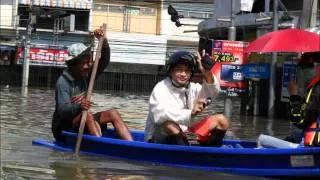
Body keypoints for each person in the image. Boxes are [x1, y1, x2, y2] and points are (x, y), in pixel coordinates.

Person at [52, 27, 133, 142]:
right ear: (73, 64)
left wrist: (103, 42)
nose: (87, 66)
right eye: (84, 63)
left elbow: (103, 62)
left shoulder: (86, 76)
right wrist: (79, 106)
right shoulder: (63, 82)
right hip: (65, 127)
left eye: (88, 63)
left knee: (113, 113)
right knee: (88, 116)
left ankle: (131, 145)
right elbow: (63, 110)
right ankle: (101, 146)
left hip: (82, 119)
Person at [144, 50, 229, 146]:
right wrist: (190, 113)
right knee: (168, 124)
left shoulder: (192, 87)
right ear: (171, 71)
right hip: (159, 138)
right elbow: (161, 115)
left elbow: (212, 93)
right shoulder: (161, 88)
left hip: (184, 135)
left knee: (222, 121)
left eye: (187, 71)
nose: (183, 74)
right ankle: (188, 153)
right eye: (179, 70)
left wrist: (207, 73)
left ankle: (210, 153)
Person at [258, 52, 320, 148]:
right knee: (293, 136)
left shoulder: (316, 90)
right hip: (311, 138)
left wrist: (294, 95)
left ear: (317, 66)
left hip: (314, 146)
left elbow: (299, 120)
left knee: (262, 139)